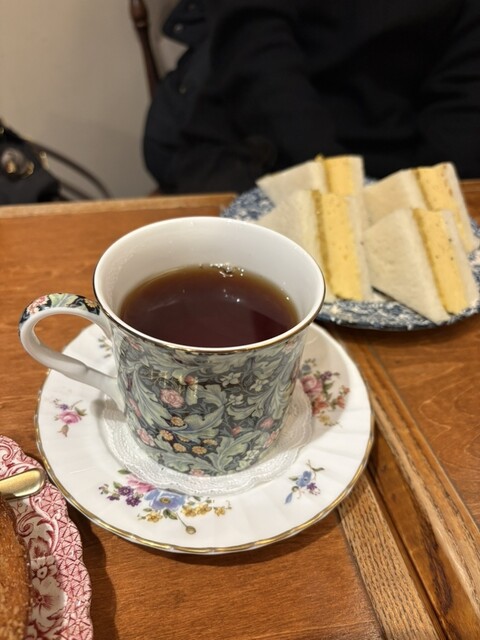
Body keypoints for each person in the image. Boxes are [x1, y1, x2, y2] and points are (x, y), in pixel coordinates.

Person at [143, 0, 480, 194]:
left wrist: (430, 198)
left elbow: (463, 96)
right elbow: (253, 45)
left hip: (399, 164)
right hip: (259, 142)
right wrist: (339, 185)